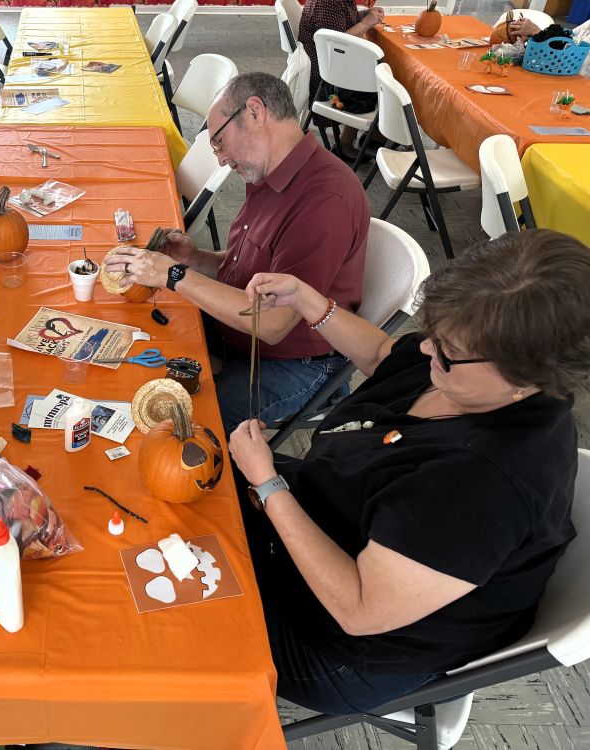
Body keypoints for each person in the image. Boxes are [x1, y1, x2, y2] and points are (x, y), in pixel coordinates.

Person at [228, 229, 589, 714]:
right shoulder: (469, 368)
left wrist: (269, 485)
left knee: (184, 606)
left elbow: (359, 609)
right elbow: (385, 356)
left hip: (340, 648)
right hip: (330, 518)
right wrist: (309, 301)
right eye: (433, 333)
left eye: (446, 350)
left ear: (527, 376)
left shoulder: (480, 485)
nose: (425, 351)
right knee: (191, 486)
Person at [104, 73, 368, 432]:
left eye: (220, 142)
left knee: (183, 427)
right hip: (241, 336)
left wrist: (174, 274)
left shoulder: (324, 200)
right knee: (136, 350)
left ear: (255, 112)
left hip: (297, 361)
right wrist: (195, 260)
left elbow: (272, 323)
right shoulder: (268, 169)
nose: (221, 160)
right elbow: (252, 269)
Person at [298, 0, 385, 160]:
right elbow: (338, 42)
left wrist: (363, 15)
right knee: (378, 75)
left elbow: (340, 24)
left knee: (377, 70)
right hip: (325, 77)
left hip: (331, 66)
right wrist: (366, 23)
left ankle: (375, 133)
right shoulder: (328, 3)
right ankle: (345, 143)